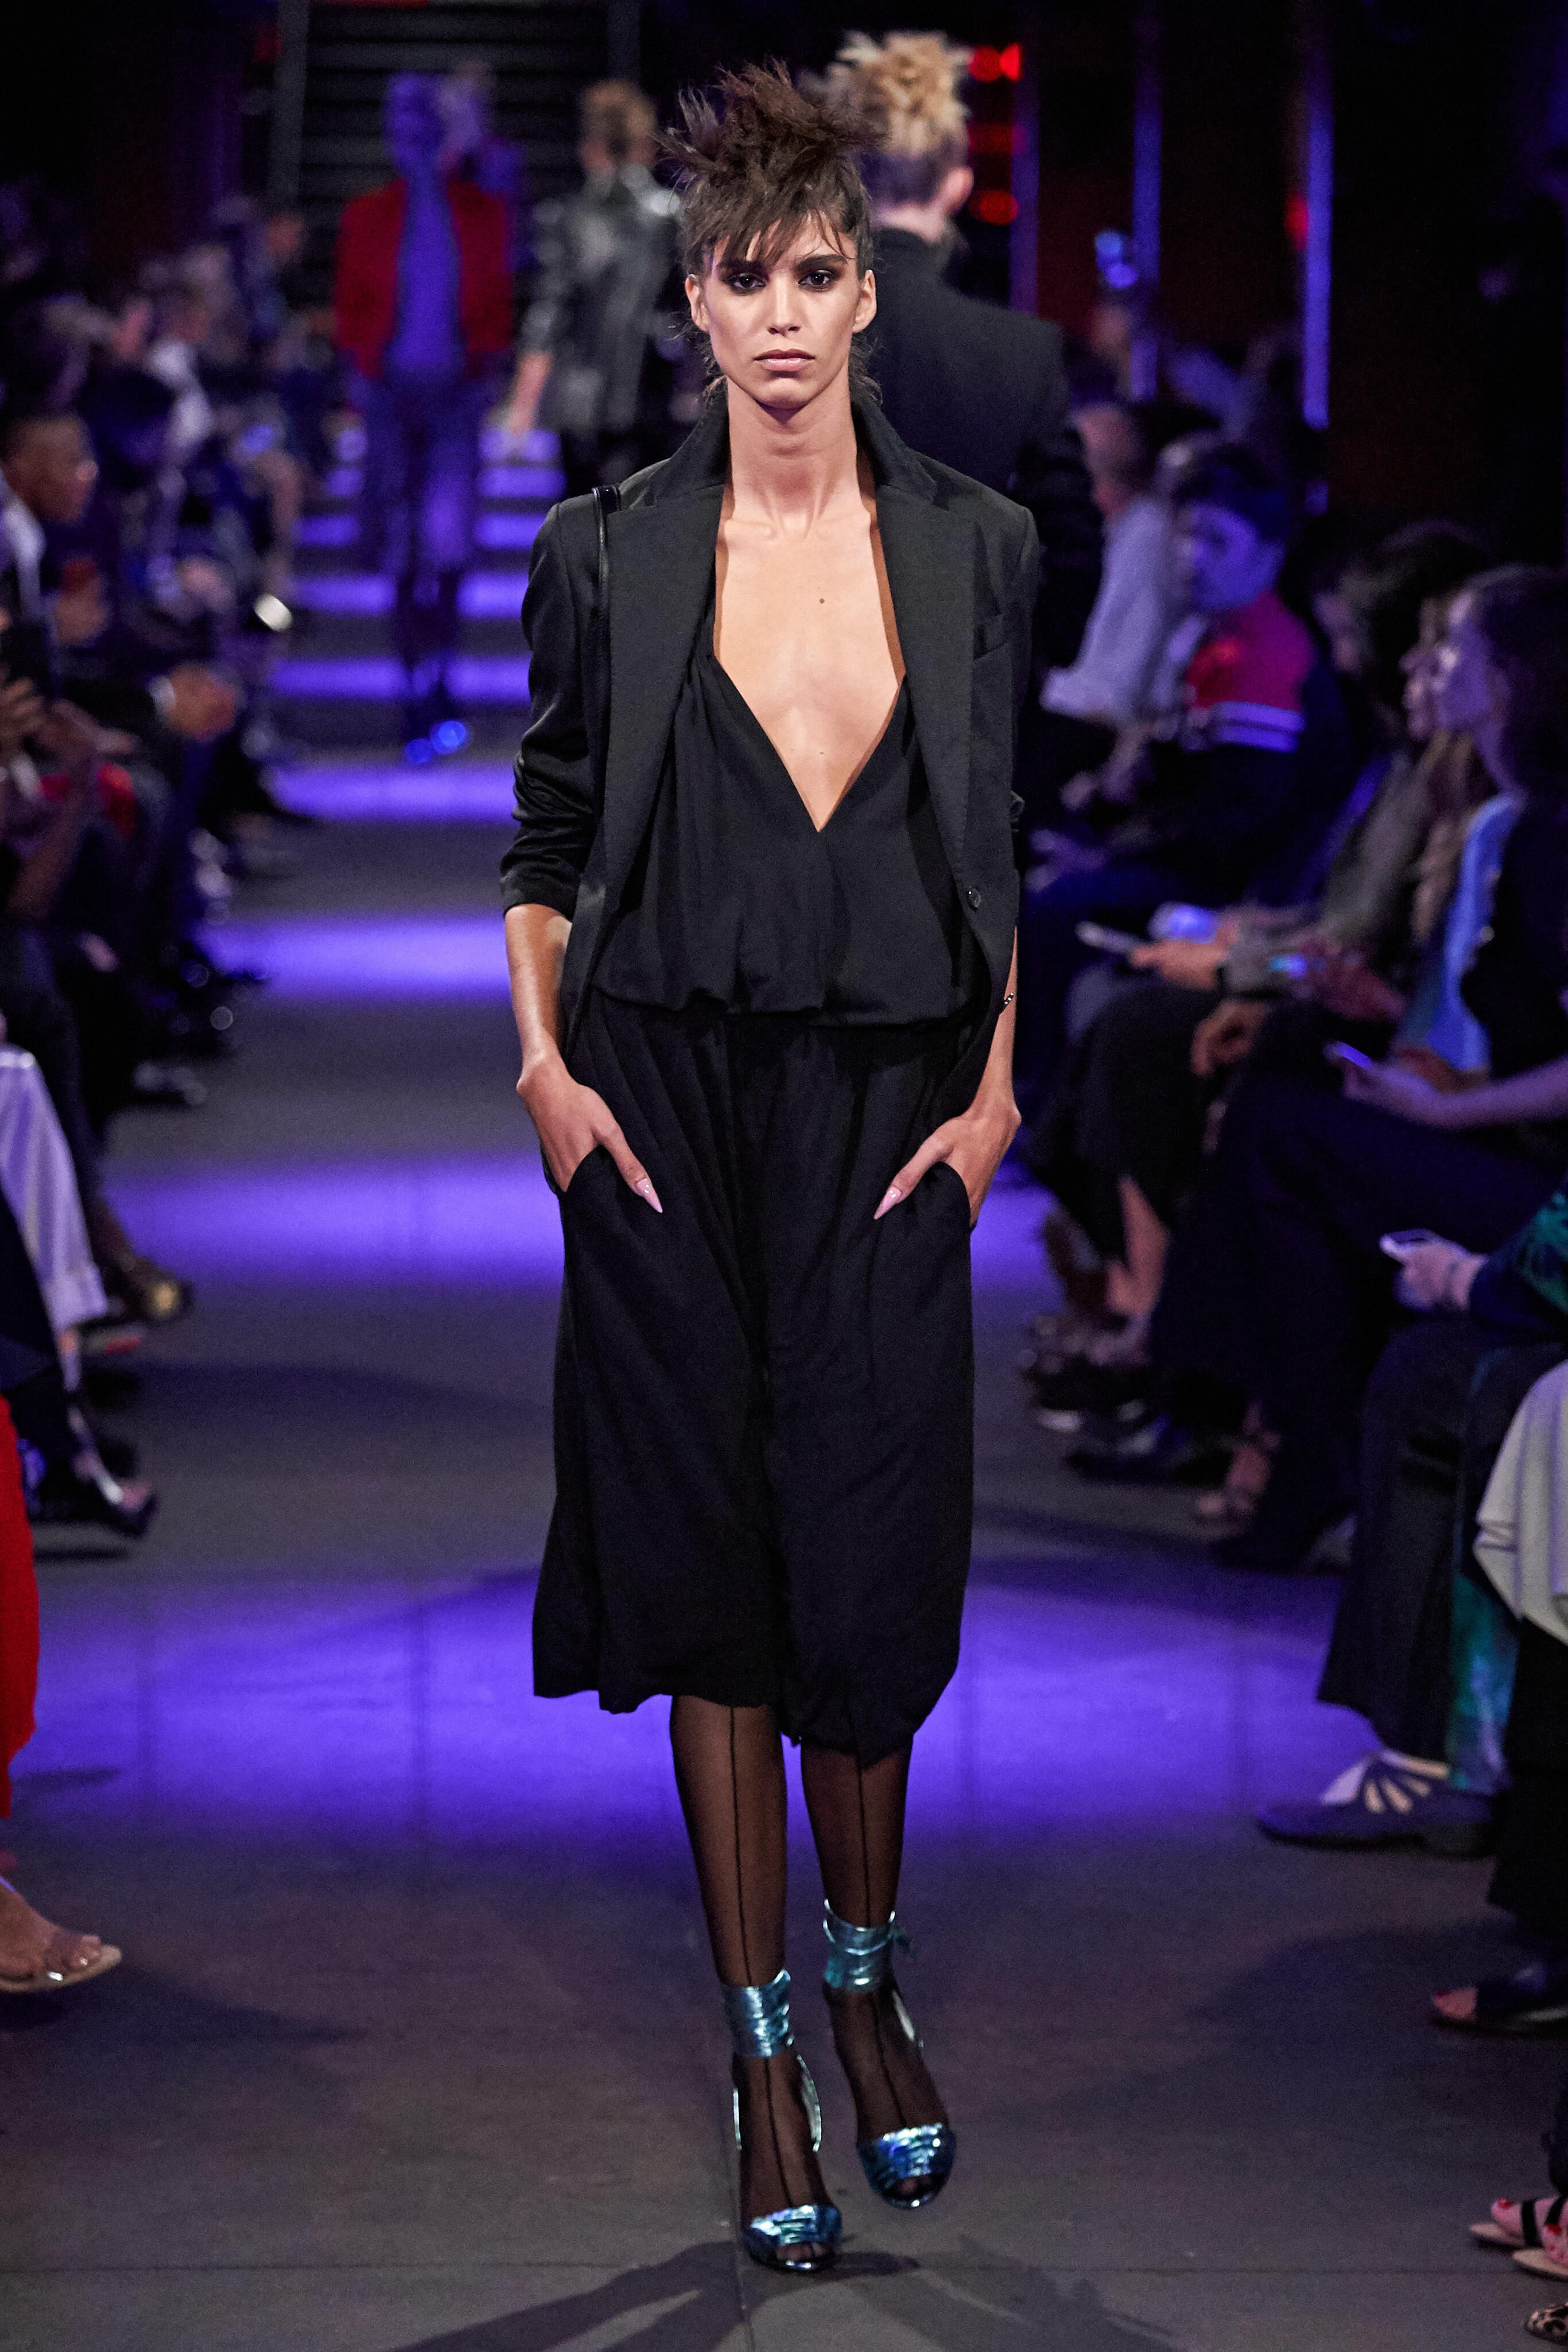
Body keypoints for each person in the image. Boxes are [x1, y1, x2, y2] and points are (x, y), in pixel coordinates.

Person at [501, 65, 1033, 2272]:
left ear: (866, 289)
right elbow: (547, 830)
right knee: (711, 1560)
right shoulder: (607, 552)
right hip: (659, 1107)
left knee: (871, 1553)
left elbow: (996, 837)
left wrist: (998, 1096)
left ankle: (866, 1979)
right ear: (697, 306)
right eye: (747, 276)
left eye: (818, 270)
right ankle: (758, 2052)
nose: (786, 312)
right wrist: (543, 1066)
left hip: (891, 1114)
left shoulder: (975, 544)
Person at [1157, 566, 1568, 1571]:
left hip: (1549, 1199)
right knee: (1291, 1083)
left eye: (1457, 647)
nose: (1432, 663)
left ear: (1508, 680)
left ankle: (1276, 1434)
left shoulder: (1548, 838)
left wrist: (1447, 1114)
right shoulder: (1511, 822)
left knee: (1282, 1134)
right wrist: (1438, 1085)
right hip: (1514, 1144)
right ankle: (1277, 1430)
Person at [826, 32, 1100, 670]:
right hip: (960, 685)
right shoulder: (1021, 352)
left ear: (839, 183)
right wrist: (1011, 671)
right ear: (957, 185)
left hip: (795, 688)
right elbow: (1072, 551)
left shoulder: (781, 331)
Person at [333, 73, 513, 752]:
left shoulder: (482, 212)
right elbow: (351, 306)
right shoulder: (368, 215)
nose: (410, 144)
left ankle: (441, 678)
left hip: (455, 398)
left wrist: (484, 370)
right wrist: (362, 376)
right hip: (390, 397)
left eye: (422, 132)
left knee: (449, 542)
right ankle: (414, 686)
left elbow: (496, 299)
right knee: (400, 548)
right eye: (402, 132)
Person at [501, 82, 685, 498]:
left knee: (581, 517)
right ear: (646, 147)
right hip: (650, 389)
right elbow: (694, 310)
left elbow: (549, 312)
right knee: (639, 514)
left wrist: (523, 402)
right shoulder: (673, 217)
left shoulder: (566, 217)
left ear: (589, 148)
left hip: (578, 398)